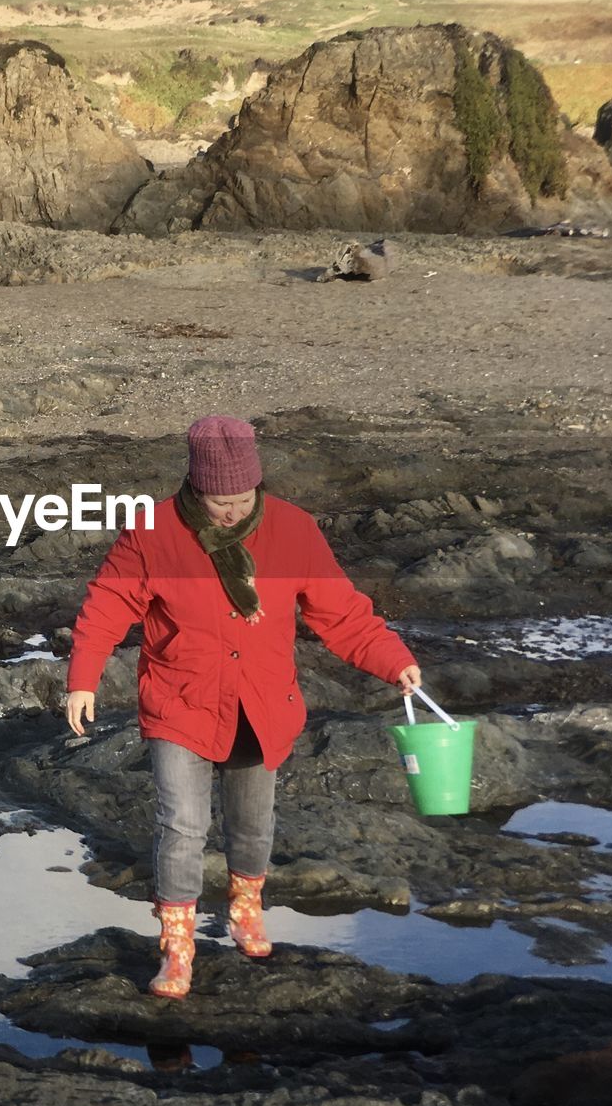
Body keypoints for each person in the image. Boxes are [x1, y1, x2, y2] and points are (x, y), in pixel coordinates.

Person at [65, 415, 421, 999]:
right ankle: (177, 948)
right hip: (181, 702)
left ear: (257, 486)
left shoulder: (293, 530)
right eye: (216, 500)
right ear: (195, 486)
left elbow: (341, 612)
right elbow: (107, 604)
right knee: (181, 825)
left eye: (239, 498)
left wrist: (393, 659)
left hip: (261, 704)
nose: (229, 511)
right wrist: (83, 680)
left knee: (252, 826)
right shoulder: (152, 529)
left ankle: (245, 909)